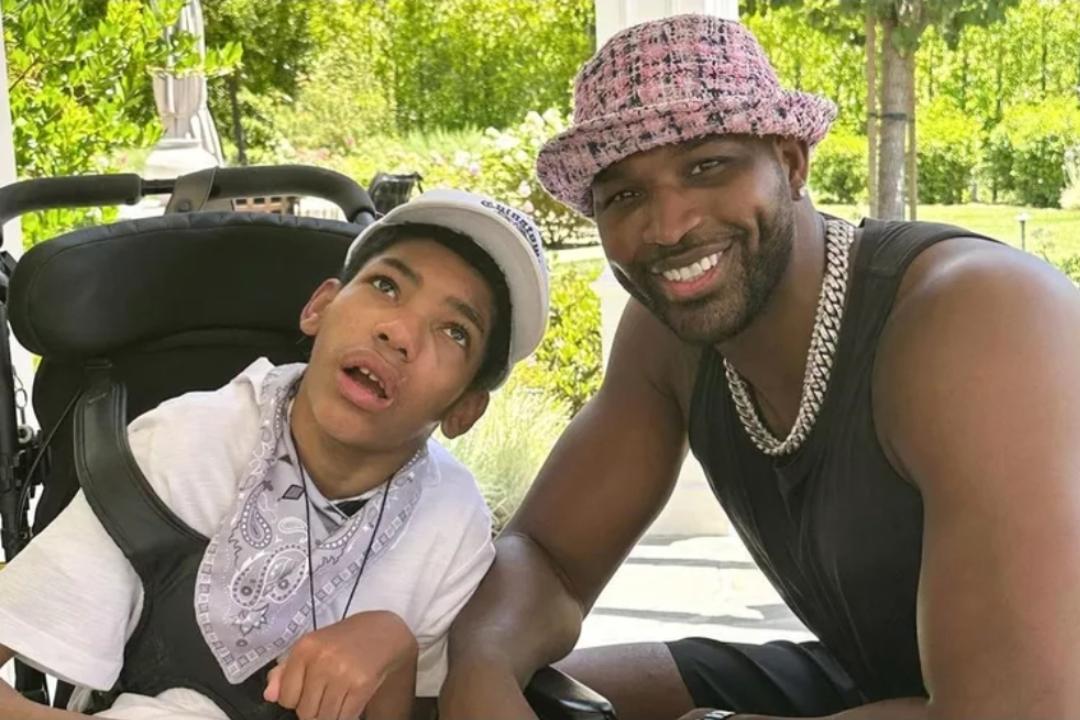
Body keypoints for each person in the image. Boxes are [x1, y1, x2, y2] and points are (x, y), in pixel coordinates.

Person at [437, 14, 1080, 720]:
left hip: (1028, 697)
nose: (669, 226)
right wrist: (482, 664)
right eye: (624, 195)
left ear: (791, 161)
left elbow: (1021, 708)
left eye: (707, 166)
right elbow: (550, 556)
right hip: (880, 678)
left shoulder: (980, 317)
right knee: (513, 695)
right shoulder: (669, 338)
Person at [0, 189, 550, 720]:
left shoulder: (450, 522)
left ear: (464, 410)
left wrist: (396, 649)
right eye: (385, 285)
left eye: (455, 331)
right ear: (320, 307)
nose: (400, 332)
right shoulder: (182, 448)